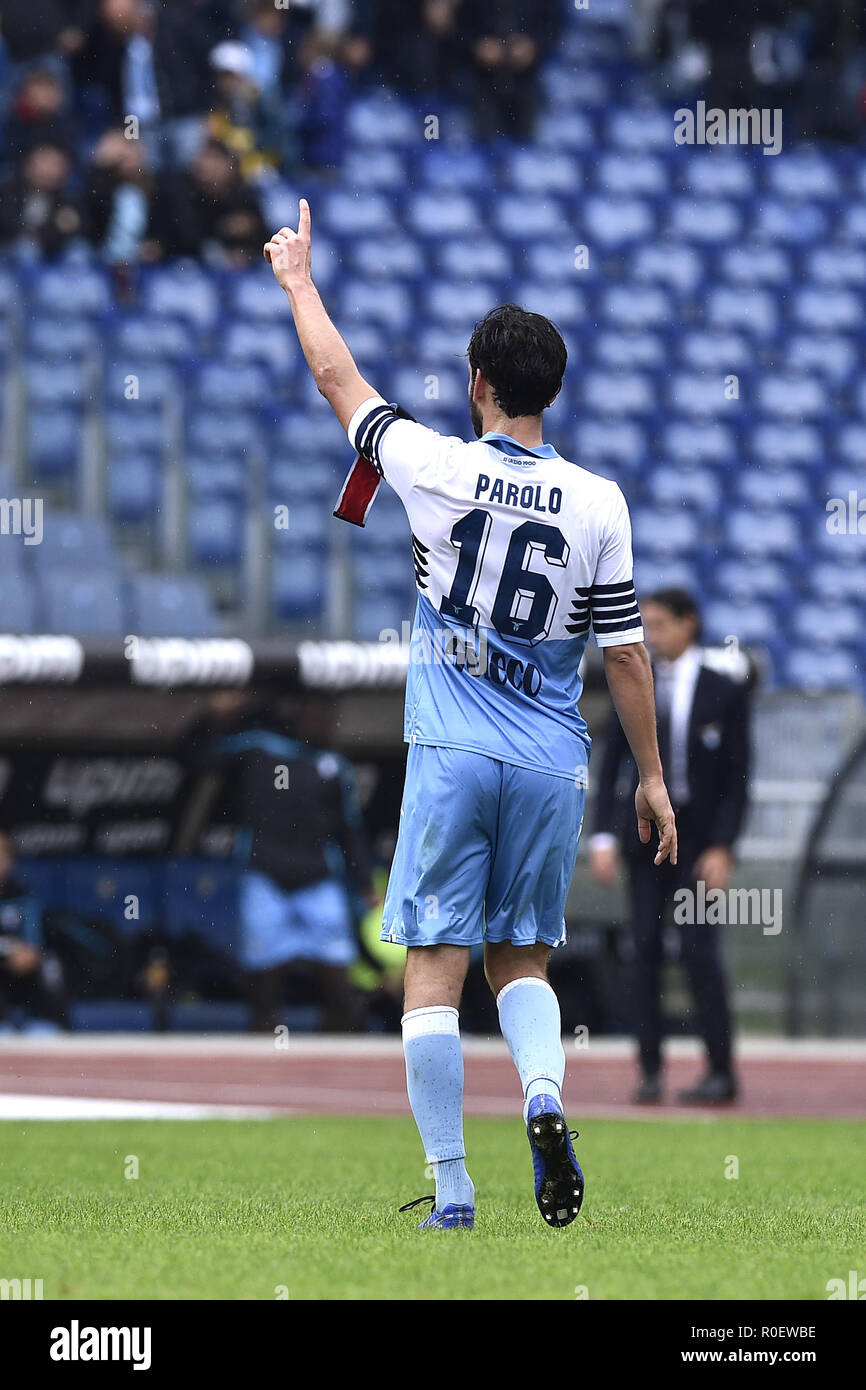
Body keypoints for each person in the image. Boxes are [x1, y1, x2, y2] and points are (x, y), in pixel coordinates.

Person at [264, 204, 677, 1231]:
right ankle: (542, 1097)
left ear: (476, 383)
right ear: (555, 389)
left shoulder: (436, 465)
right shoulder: (599, 502)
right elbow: (624, 652)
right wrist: (655, 779)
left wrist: (299, 283)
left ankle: (452, 1190)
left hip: (452, 750)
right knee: (522, 960)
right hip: (551, 759)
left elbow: (336, 383)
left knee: (432, 972)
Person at [590, 589, 751, 1105]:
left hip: (699, 841)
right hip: (646, 837)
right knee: (644, 951)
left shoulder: (724, 690)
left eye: (659, 625)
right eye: (647, 626)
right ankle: (650, 1070)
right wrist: (603, 836)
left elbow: (737, 777)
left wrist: (724, 846)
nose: (651, 636)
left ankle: (720, 1071)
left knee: (701, 952)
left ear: (690, 624)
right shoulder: (638, 681)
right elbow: (613, 762)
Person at [0, 832, 67, 1032]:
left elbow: (31, 950)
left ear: (10, 861)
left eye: (1, 855)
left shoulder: (23, 897)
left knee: (49, 968)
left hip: (22, 984)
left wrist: (23, 954)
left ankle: (47, 1027)